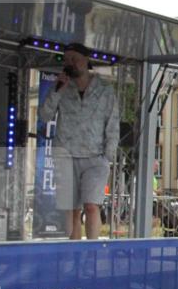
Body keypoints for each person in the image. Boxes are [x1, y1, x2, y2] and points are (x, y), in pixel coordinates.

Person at [39, 42, 120, 240]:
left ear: (86, 60)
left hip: (95, 156)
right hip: (65, 154)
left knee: (91, 205)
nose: (70, 63)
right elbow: (44, 116)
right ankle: (72, 253)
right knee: (71, 209)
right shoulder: (61, 87)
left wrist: (109, 155)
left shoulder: (104, 89)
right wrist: (57, 89)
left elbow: (113, 122)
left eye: (74, 59)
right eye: (66, 60)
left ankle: (92, 252)